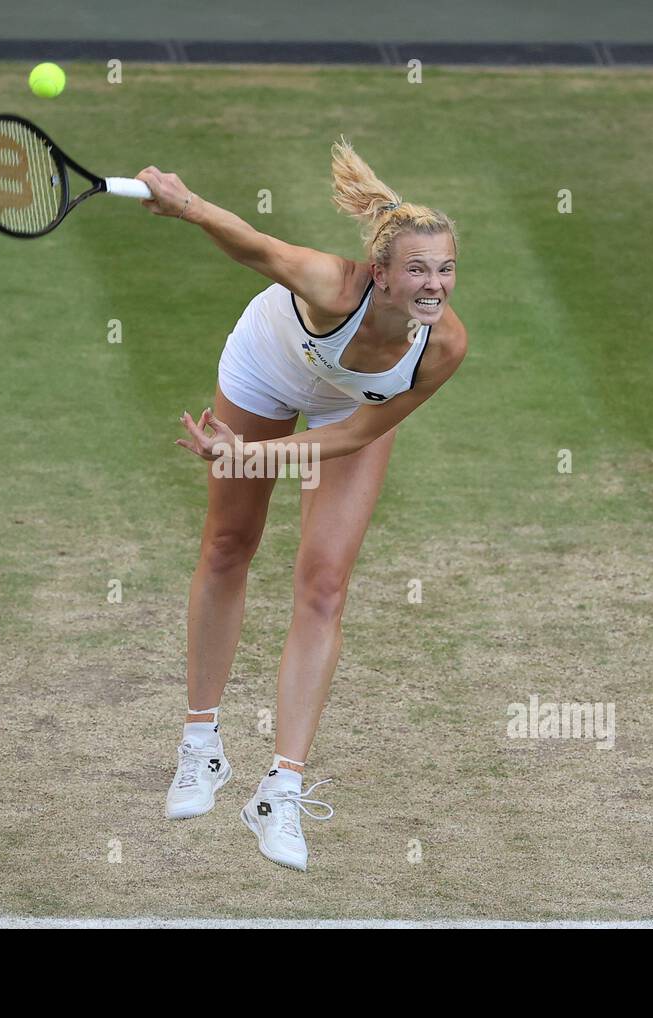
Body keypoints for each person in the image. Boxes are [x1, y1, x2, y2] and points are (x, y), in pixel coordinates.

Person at [137, 137, 467, 871]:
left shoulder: (442, 347)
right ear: (380, 273)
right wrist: (185, 203)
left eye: (445, 269)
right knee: (229, 544)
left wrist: (249, 455)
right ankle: (202, 745)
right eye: (417, 268)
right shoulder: (330, 283)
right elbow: (254, 247)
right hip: (267, 368)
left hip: (347, 411)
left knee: (324, 585)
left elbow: (351, 437)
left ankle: (279, 791)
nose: (434, 284)